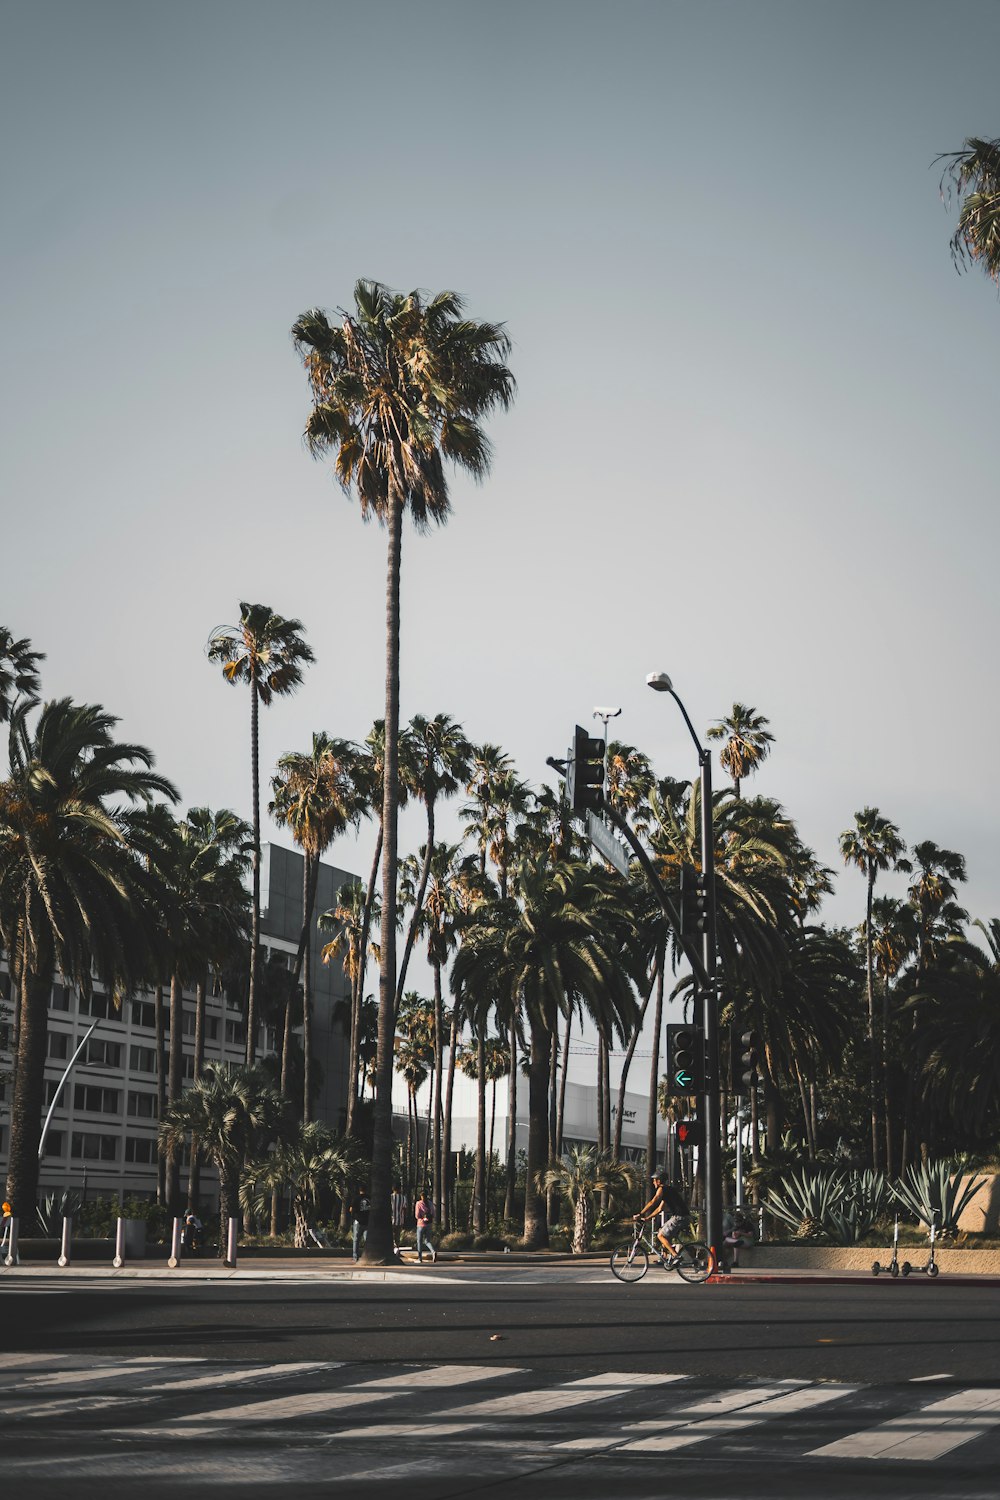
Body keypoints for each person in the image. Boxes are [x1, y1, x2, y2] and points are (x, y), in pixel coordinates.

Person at [634, 1172, 690, 1264]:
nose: (653, 1183)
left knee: (661, 1235)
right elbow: (659, 1209)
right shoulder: (668, 1190)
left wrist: (640, 1214)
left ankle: (676, 1256)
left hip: (679, 1217)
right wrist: (648, 1218)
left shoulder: (661, 1189)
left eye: (654, 1180)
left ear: (659, 1181)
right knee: (662, 1231)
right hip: (683, 1217)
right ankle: (664, 1258)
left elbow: (653, 1202)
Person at [414, 1188, 436, 1264]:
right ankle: (433, 1251)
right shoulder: (430, 1203)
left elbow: (417, 1215)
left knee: (419, 1241)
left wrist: (422, 1218)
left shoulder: (418, 1203)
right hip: (429, 1224)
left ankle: (420, 1258)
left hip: (420, 1224)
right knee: (427, 1241)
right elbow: (433, 1214)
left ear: (421, 1196)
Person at [349, 1189, 370, 1262]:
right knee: (367, 1240)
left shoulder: (356, 1198)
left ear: (359, 1190)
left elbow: (351, 1209)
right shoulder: (369, 1198)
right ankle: (368, 1256)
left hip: (358, 1221)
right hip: (367, 1221)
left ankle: (355, 1257)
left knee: (356, 1240)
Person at [391, 1185, 409, 1254]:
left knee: (391, 1235)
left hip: (391, 1219)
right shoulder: (403, 1197)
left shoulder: (391, 1197)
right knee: (397, 1236)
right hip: (400, 1219)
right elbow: (405, 1209)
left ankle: (393, 1248)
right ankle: (396, 1248)